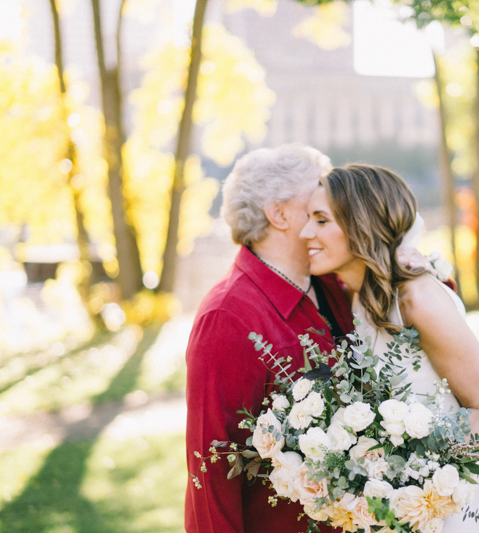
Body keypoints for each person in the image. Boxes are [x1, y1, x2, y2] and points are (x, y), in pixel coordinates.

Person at [299, 164, 479, 532]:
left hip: (440, 502)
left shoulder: (417, 299)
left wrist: (418, 489)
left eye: (321, 220)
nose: (305, 232)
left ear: (362, 224)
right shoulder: (357, 296)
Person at [184, 145, 354, 533]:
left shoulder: (332, 282)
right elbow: (211, 466)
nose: (331, 211)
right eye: (315, 203)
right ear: (278, 214)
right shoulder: (227, 316)